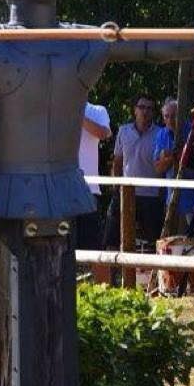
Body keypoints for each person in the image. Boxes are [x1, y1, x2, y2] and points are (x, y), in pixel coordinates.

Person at [103, 95, 164, 249]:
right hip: (125, 192)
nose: (145, 111)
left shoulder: (160, 134)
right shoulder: (123, 131)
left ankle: (150, 271)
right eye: (142, 107)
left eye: (149, 108)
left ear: (154, 113)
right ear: (134, 110)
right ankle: (113, 271)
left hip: (151, 194)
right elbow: (117, 161)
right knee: (112, 237)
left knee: (152, 241)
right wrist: (115, 185)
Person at [153, 97, 194, 234]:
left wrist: (170, 156)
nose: (169, 120)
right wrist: (175, 157)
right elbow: (158, 167)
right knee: (174, 242)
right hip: (172, 201)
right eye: (166, 117)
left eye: (173, 116)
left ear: (181, 115)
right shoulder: (162, 135)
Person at [76, 101, 111, 281]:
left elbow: (104, 133)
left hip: (88, 190)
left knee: (95, 247)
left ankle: (105, 294)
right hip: (59, 189)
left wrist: (75, 112)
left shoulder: (97, 110)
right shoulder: (55, 106)